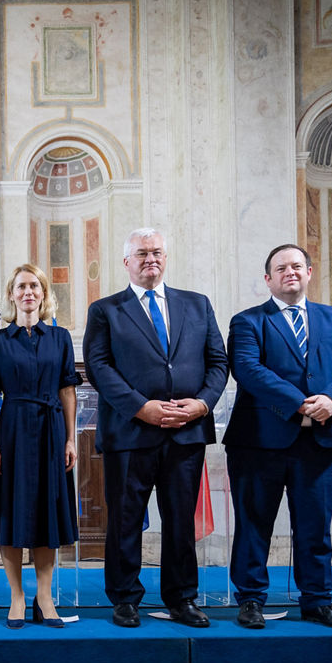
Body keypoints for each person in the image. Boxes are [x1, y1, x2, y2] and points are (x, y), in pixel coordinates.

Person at [83, 228, 228, 628]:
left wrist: (200, 404)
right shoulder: (105, 310)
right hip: (131, 433)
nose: (151, 259)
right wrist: (140, 407)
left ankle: (181, 598)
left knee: (181, 520)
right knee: (125, 518)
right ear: (126, 261)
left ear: (166, 257)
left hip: (186, 432)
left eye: (157, 252)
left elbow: (218, 362)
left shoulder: (197, 305)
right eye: (142, 253)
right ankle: (125, 598)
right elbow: (99, 366)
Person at [224, 244, 332, 630]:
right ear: (268, 278)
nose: (291, 272)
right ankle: (251, 600)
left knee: (315, 527)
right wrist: (302, 403)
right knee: (253, 524)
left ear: (309, 272)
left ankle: (317, 601)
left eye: (297, 266)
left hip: (321, 442)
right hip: (258, 443)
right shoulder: (248, 321)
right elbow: (248, 369)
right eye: (281, 268)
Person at [0, 264, 79, 628]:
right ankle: (17, 597)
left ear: (43, 293)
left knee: (47, 514)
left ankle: (45, 596)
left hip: (52, 432)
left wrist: (70, 438)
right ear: (11, 294)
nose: (28, 292)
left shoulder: (61, 338)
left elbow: (67, 390)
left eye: (34, 286)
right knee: (11, 512)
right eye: (21, 286)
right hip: (12, 431)